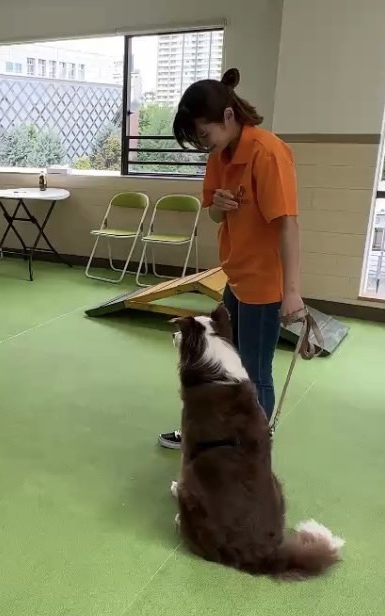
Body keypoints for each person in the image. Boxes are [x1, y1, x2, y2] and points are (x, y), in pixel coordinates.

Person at [158, 67, 306, 450]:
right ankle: (217, 434)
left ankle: (252, 449)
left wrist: (292, 293)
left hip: (263, 284)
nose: (204, 144)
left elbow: (288, 226)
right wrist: (220, 207)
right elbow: (211, 211)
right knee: (225, 363)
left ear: (228, 116)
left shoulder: (267, 153)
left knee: (256, 371)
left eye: (204, 135)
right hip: (236, 278)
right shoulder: (219, 155)